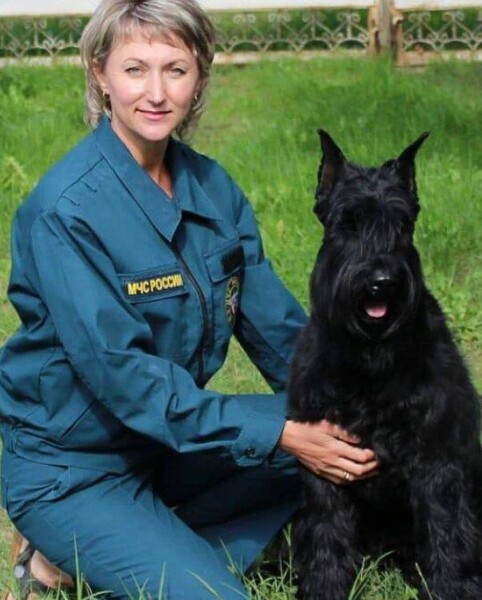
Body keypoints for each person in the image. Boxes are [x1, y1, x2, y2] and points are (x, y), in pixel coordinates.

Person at [0, 1, 378, 598]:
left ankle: (109, 551)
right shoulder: (65, 212)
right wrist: (282, 432)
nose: (156, 93)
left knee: (358, 449)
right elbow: (128, 382)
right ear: (100, 73)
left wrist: (368, 407)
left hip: (167, 449)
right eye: (135, 69)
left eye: (175, 69)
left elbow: (282, 333)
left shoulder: (212, 187)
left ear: (199, 74)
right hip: (76, 467)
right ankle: (72, 548)